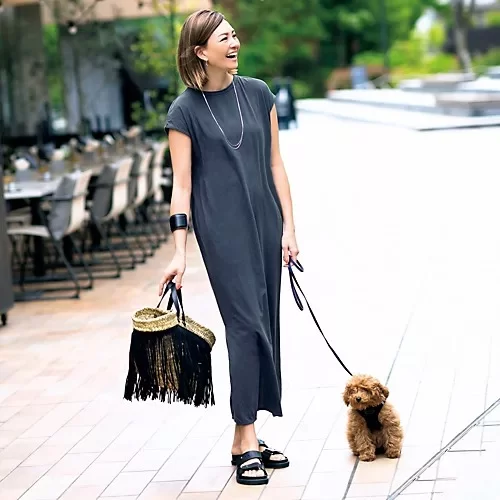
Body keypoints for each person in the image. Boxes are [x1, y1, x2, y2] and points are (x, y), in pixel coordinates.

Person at [159, 9, 299, 486]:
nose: (234, 43)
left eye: (234, 35)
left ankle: (244, 440)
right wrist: (179, 252)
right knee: (245, 324)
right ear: (201, 51)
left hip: (266, 224)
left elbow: (276, 165)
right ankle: (248, 435)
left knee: (266, 322)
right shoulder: (183, 111)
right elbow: (181, 186)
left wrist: (290, 227)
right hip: (221, 231)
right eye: (224, 38)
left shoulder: (258, 94)